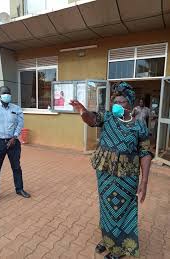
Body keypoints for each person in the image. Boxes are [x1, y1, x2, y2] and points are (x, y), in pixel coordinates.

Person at [70, 82, 153, 259]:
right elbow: (92, 119)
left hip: (127, 176)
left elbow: (145, 153)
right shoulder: (108, 117)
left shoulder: (139, 126)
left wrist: (144, 181)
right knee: (107, 208)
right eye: (115, 101)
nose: (117, 104)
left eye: (122, 101)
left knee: (123, 210)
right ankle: (107, 240)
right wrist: (83, 111)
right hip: (105, 173)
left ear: (130, 104)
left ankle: (120, 248)